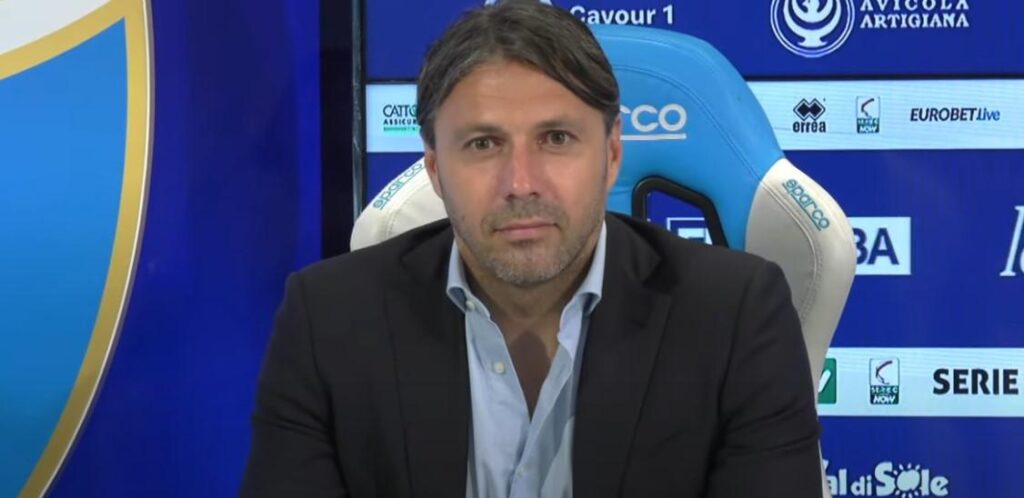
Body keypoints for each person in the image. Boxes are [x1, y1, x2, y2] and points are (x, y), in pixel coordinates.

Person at [241, 1, 823, 497]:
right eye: (483, 143)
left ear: (612, 156)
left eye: (556, 138)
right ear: (436, 170)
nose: (521, 182)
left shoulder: (736, 314)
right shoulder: (328, 320)